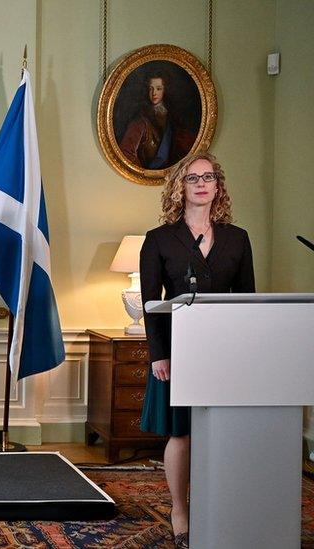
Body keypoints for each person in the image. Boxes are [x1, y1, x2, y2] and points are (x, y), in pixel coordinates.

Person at [138, 153, 254, 548]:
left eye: (209, 177)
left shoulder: (238, 238)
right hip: (177, 347)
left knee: (220, 432)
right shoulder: (158, 239)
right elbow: (150, 303)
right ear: (179, 188)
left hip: (223, 350)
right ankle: (180, 510)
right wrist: (158, 355)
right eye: (192, 178)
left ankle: (219, 506)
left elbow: (247, 301)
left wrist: (244, 355)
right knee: (181, 431)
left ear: (218, 186)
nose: (202, 184)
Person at [119, 71, 195, 170]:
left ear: (165, 90)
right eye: (150, 89)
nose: (154, 93)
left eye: (158, 89)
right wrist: (145, 173)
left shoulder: (172, 117)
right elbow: (126, 152)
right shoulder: (140, 121)